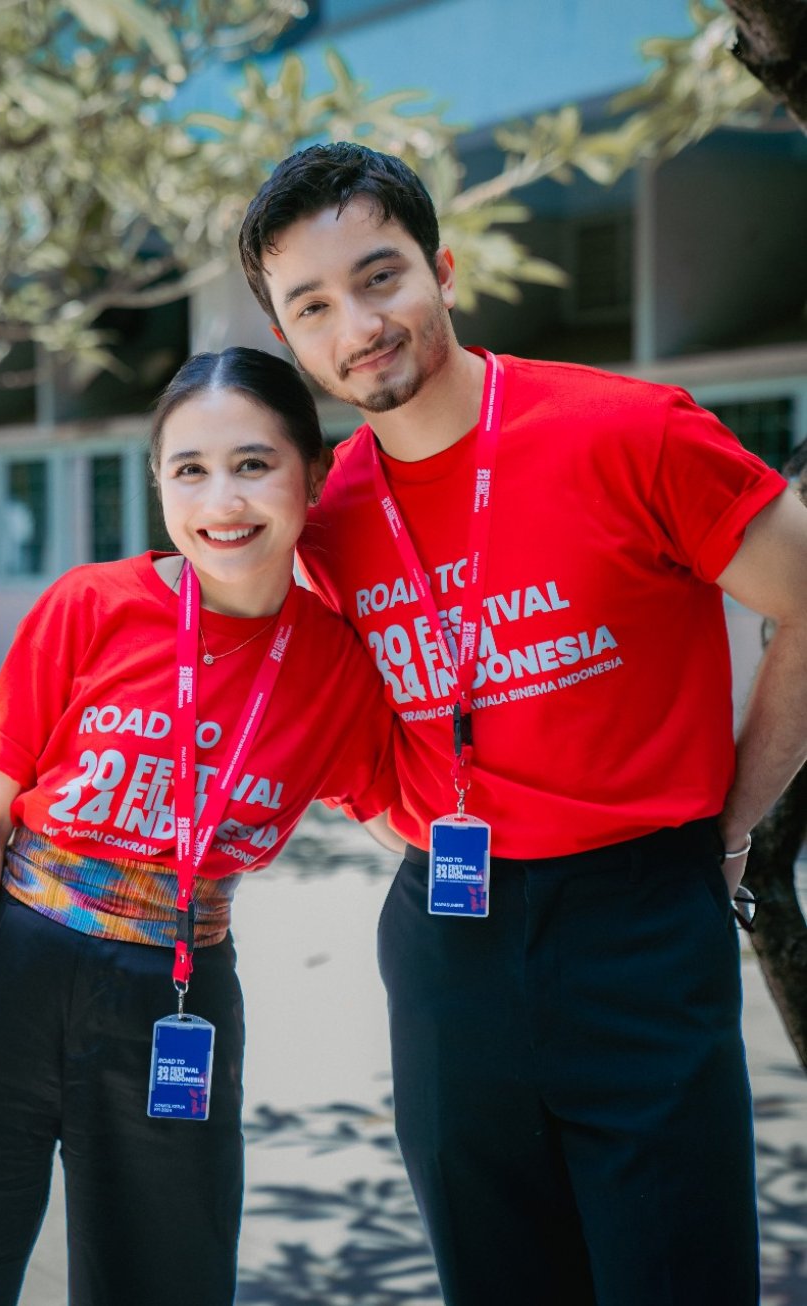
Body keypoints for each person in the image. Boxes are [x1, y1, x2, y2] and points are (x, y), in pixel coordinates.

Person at [237, 143, 807, 1306]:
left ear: (444, 269)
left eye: (381, 275)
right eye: (313, 304)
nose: (359, 323)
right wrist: (391, 811)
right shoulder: (329, 519)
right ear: (291, 338)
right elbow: (310, 696)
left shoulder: (629, 430)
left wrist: (740, 814)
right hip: (448, 945)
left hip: (640, 921)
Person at [0, 346, 399, 1306]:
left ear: (313, 476)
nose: (221, 500)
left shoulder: (336, 668)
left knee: (166, 1283)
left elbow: (401, 818)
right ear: (159, 485)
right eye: (189, 469)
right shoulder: (91, 605)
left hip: (180, 997)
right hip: (13, 980)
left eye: (253, 464)